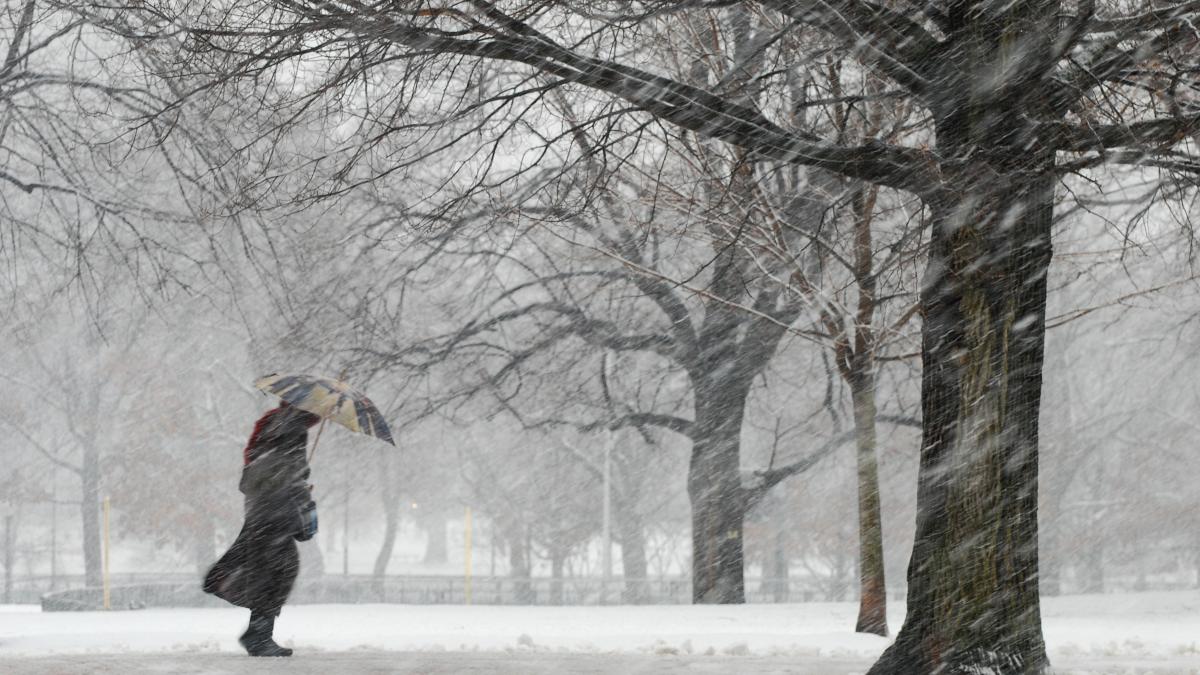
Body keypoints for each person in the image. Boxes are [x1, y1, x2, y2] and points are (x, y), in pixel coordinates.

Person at [203, 401, 321, 657]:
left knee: (269, 572)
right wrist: (301, 493)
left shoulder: (275, 424)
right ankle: (257, 635)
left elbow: (265, 470)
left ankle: (257, 633)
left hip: (262, 510)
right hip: (275, 512)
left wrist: (295, 482)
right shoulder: (293, 427)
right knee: (278, 573)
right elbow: (287, 471)